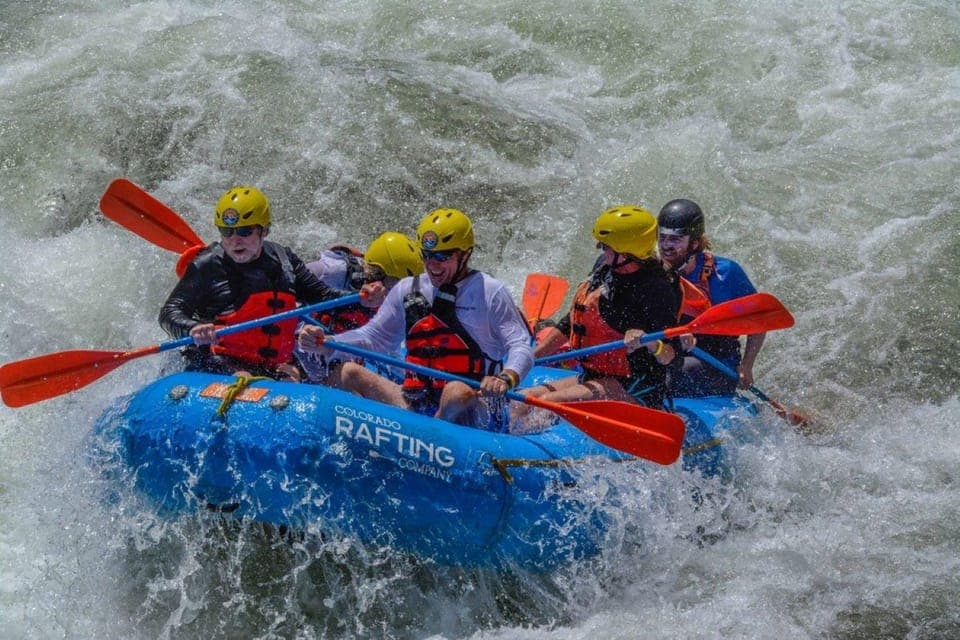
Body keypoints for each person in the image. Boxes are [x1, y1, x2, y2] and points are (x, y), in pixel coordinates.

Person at [297, 208, 533, 431]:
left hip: (475, 406)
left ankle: (430, 437)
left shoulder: (490, 292)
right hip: (417, 403)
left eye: (442, 256)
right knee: (348, 372)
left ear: (465, 254)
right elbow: (373, 337)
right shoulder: (408, 289)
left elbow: (520, 344)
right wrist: (328, 343)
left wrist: (506, 377)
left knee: (456, 391)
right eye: (427, 256)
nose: (432, 265)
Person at [158, 185, 381, 379]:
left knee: (293, 377)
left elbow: (323, 297)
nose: (235, 239)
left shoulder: (284, 260)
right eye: (227, 232)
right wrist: (193, 328)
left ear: (264, 230)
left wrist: (363, 299)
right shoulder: (207, 265)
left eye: (245, 231)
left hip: (274, 366)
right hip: (220, 363)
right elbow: (169, 313)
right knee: (244, 378)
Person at [524, 205, 683, 411]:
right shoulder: (605, 267)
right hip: (594, 376)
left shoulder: (657, 288)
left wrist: (649, 341)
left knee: (544, 404)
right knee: (526, 398)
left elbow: (671, 355)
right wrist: (531, 358)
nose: (601, 249)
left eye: (606, 246)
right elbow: (571, 322)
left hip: (636, 386)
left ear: (627, 251)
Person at [657, 198, 765, 396]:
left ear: (695, 243)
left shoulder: (727, 273)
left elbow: (758, 323)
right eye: (662, 237)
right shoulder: (654, 273)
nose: (665, 246)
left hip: (717, 363)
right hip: (670, 355)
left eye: (675, 239)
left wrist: (747, 365)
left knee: (678, 372)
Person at [293, 231, 425, 385]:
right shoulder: (332, 270)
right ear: (377, 275)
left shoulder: (396, 299)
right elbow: (286, 285)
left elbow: (389, 349)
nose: (400, 294)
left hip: (335, 352)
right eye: (396, 286)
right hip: (301, 344)